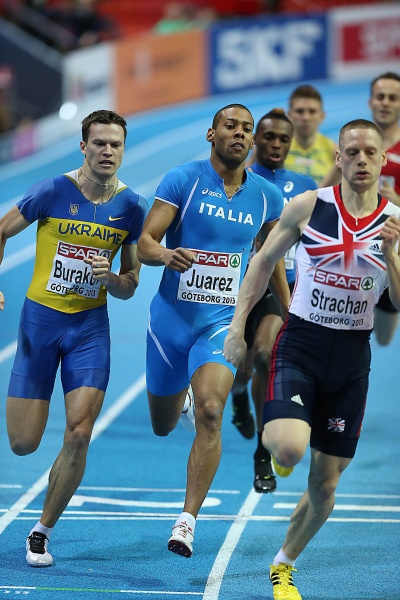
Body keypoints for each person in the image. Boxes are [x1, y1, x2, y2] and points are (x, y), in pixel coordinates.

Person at [223, 119, 400, 599]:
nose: (361, 160)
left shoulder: (395, 222)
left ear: (383, 159)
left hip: (351, 359)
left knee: (325, 484)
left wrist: (392, 253)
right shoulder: (308, 207)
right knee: (289, 450)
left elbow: (399, 302)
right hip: (301, 345)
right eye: (352, 152)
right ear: (338, 159)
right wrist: (238, 328)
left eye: (370, 153)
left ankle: (283, 565)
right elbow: (262, 262)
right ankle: (281, 442)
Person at [137, 103, 290, 558]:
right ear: (211, 134)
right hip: (170, 323)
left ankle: (186, 521)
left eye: (247, 129)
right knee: (163, 425)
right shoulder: (182, 180)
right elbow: (145, 243)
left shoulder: (267, 197)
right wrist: (167, 255)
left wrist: (290, 312)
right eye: (230, 126)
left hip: (221, 323)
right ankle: (177, 401)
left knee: (210, 411)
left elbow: (272, 257)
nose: (239, 134)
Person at [0, 109, 149, 567]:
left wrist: (112, 279)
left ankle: (41, 531)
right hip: (39, 326)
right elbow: (1, 230)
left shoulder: (132, 207)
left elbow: (130, 284)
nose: (107, 151)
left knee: (80, 432)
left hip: (89, 329)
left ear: (123, 150)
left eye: (115, 144)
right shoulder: (51, 191)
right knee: (23, 443)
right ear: (83, 146)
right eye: (99, 143)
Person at [230, 109, 317, 494]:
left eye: (284, 139)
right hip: (236, 289)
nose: (276, 144)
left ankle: (261, 452)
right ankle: (238, 398)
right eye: (268, 137)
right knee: (240, 367)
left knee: (265, 355)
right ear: (255, 140)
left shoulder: (306, 186)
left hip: (281, 286)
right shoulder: (240, 179)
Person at [369, 72, 400, 346]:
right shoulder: (357, 143)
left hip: (394, 249)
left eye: (393, 97)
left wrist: (396, 201)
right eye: (380, 97)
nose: (385, 103)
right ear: (371, 102)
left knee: (384, 337)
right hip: (357, 244)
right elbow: (326, 188)